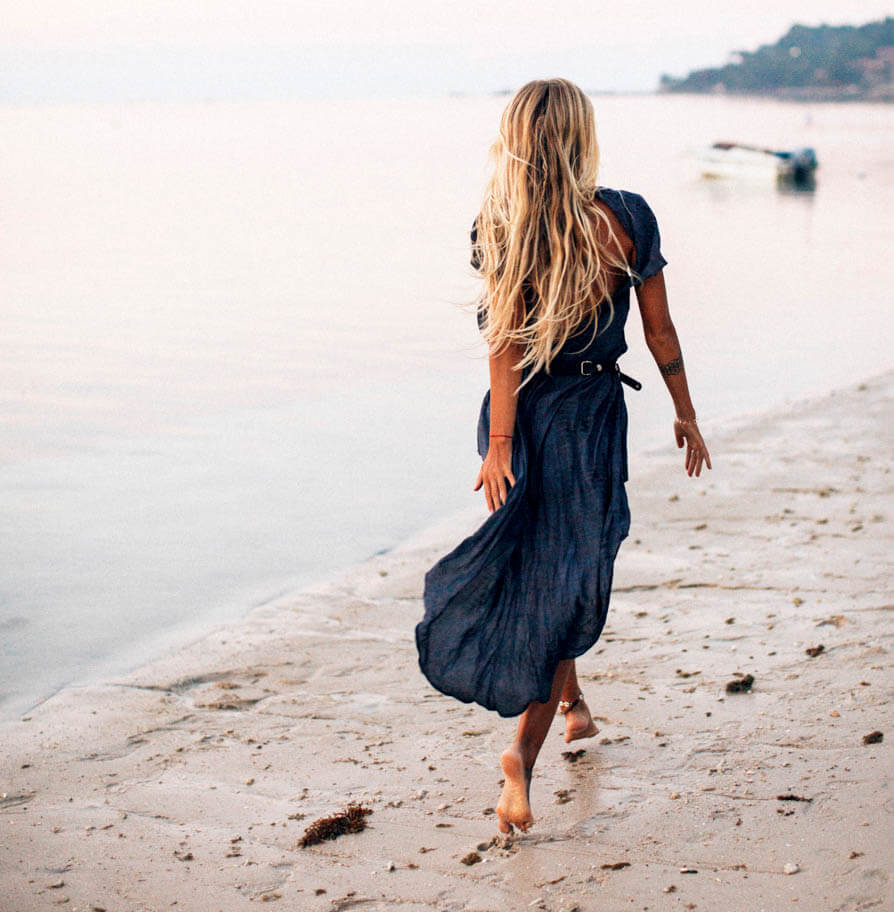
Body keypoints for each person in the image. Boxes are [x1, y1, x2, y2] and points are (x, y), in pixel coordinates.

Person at [415, 78, 711, 835]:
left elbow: (503, 347)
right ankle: (521, 757)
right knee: (570, 578)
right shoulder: (627, 216)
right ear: (582, 135)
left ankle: (574, 705)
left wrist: (502, 446)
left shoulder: (499, 223)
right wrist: (685, 411)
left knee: (554, 562)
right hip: (585, 419)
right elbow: (661, 333)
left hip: (515, 420)